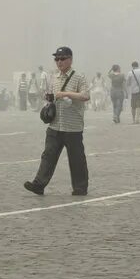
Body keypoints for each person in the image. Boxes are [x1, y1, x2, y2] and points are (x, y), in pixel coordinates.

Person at [24, 46, 91, 196]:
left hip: (73, 126)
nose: (59, 62)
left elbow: (86, 96)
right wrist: (49, 97)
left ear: (70, 59)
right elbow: (51, 96)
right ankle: (39, 184)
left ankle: (80, 187)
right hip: (55, 124)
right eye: (56, 59)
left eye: (62, 59)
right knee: (48, 155)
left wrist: (66, 93)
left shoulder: (79, 77)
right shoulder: (53, 77)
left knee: (77, 159)